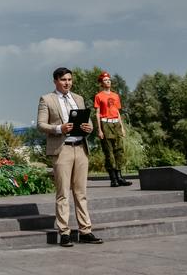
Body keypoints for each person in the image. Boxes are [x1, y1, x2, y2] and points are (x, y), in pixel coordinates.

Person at [36, 67, 104, 247]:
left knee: (81, 193)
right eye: (63, 80)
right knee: (63, 194)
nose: (67, 83)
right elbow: (41, 124)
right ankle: (64, 233)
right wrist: (60, 128)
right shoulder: (47, 99)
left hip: (81, 148)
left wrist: (89, 128)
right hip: (62, 150)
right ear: (55, 81)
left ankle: (85, 231)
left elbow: (87, 121)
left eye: (69, 80)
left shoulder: (78, 98)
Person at [94, 71, 132, 187]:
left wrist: (122, 127)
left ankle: (120, 177)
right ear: (101, 83)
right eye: (105, 80)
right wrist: (99, 130)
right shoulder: (99, 96)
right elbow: (97, 113)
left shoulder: (115, 96)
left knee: (119, 151)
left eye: (109, 80)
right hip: (105, 124)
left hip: (116, 124)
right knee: (109, 152)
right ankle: (113, 178)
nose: (108, 81)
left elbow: (117, 112)